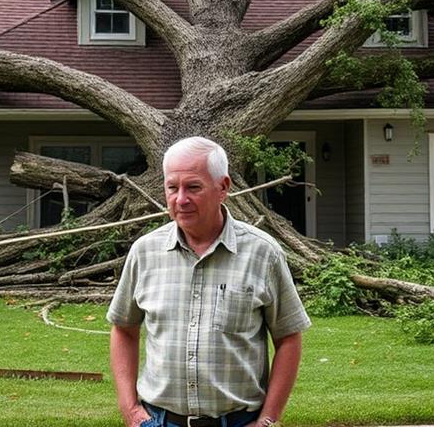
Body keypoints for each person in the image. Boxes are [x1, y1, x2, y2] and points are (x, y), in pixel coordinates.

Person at [107, 136, 311, 427]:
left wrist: (268, 420)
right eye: (172, 187)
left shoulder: (262, 253)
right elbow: (124, 329)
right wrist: (130, 411)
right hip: (160, 421)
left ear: (223, 187)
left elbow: (289, 337)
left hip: (239, 421)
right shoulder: (145, 252)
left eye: (193, 187)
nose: (180, 199)